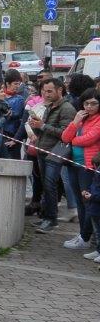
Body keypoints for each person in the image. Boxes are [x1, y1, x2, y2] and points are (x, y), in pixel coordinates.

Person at [30, 78, 75, 233]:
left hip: (55, 152)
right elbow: (44, 131)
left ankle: (51, 220)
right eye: (43, 91)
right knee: (46, 186)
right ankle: (46, 217)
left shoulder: (67, 108)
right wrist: (36, 126)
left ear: (60, 90)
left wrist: (42, 125)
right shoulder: (50, 106)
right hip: (43, 150)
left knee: (50, 186)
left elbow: (65, 134)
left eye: (49, 91)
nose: (46, 94)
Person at [61, 90, 100, 251]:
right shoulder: (81, 118)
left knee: (89, 202)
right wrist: (75, 122)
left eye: (94, 103)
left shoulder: (98, 120)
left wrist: (73, 140)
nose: (89, 107)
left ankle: (86, 236)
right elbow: (65, 137)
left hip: (88, 167)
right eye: (86, 103)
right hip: (73, 164)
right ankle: (84, 235)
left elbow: (90, 138)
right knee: (80, 202)